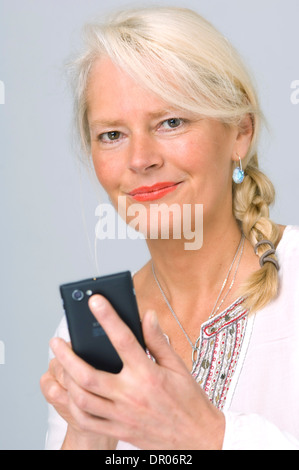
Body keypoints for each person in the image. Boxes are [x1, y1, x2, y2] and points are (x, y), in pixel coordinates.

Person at [40, 7, 299, 450]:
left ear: (240, 132)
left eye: (171, 122)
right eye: (112, 135)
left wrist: (208, 435)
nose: (140, 159)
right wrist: (88, 435)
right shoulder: (91, 327)